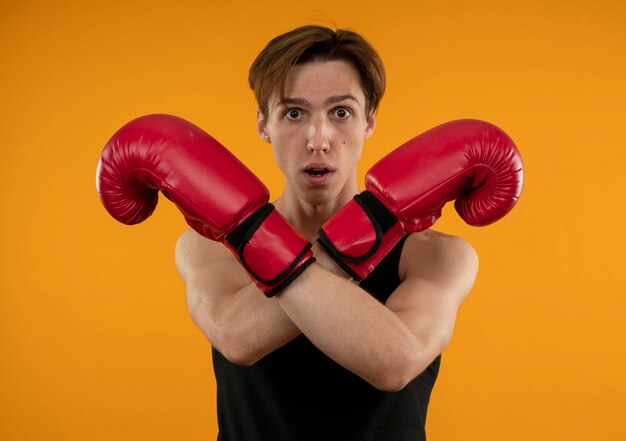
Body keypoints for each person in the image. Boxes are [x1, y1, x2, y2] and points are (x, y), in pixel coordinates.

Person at [174, 25, 479, 440]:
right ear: (264, 124)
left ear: (369, 122)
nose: (318, 140)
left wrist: (367, 225)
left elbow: (395, 363)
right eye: (294, 113)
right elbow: (237, 336)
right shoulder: (211, 245)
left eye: (341, 112)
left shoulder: (435, 255)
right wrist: (369, 230)